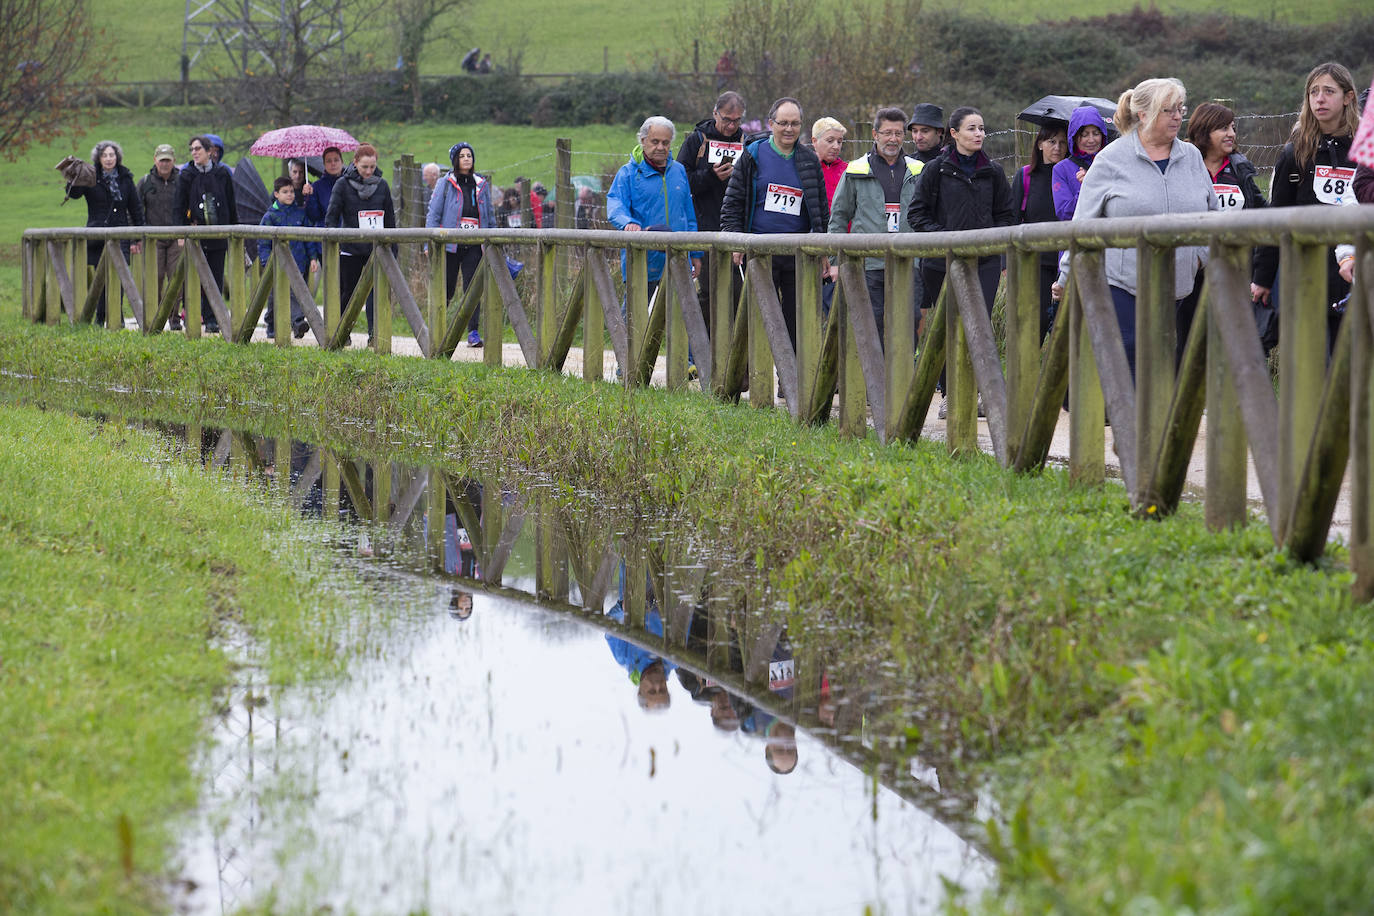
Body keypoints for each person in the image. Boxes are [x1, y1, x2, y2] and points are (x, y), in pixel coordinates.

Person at [1071, 78, 1218, 381]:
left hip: (1177, 282)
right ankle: (1135, 425)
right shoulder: (1110, 159)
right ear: (1143, 114)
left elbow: (1212, 213)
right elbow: (1082, 224)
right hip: (1122, 282)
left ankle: (1151, 422)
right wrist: (1065, 276)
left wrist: (1201, 255)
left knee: (1166, 356)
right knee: (1130, 352)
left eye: (1180, 109)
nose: (1178, 117)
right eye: (1168, 110)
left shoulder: (1190, 156)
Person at [907, 107, 1016, 416]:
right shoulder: (936, 170)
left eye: (981, 128)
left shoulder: (993, 171)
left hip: (984, 262)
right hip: (942, 262)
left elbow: (1007, 215)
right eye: (971, 129)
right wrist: (946, 237)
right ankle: (950, 395)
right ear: (953, 134)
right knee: (948, 327)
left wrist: (988, 240)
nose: (979, 134)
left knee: (979, 327)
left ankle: (983, 395)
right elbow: (917, 214)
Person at [1252, 62, 1362, 350]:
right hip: (1305, 272)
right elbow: (1275, 217)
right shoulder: (1296, 151)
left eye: (1328, 91)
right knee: (1311, 363)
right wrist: (1262, 278)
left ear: (1348, 97)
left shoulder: (1366, 150)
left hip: (1356, 268)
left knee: (1351, 367)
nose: (1319, 99)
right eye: (1313, 92)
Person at [720, 97, 830, 353]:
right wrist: (735, 239)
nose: (789, 129)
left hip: (797, 252)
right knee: (757, 316)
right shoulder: (753, 155)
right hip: (759, 251)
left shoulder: (809, 160)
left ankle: (790, 380)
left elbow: (820, 209)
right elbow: (733, 203)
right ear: (771, 124)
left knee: (796, 318)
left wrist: (823, 247)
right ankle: (748, 374)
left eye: (795, 123)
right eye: (783, 123)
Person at [828, 106, 923, 346]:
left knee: (909, 321)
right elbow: (839, 217)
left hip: (907, 261)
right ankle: (876, 381)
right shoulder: (856, 170)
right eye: (887, 133)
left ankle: (904, 379)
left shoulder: (918, 170)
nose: (893, 139)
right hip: (868, 263)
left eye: (899, 133)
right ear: (875, 134)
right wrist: (835, 261)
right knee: (873, 323)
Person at [1182, 101, 1266, 360]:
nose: (1231, 133)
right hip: (1192, 270)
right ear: (1203, 132)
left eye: (1232, 127)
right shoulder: (1185, 168)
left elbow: (1262, 212)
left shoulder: (1241, 170)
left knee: (1230, 344)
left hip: (1234, 270)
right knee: (1188, 344)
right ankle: (1187, 399)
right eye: (1222, 128)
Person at [605, 116, 701, 310]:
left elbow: (688, 214)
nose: (660, 147)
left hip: (679, 257)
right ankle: (628, 342)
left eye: (665, 142)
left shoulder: (679, 171)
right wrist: (628, 223)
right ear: (642, 141)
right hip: (642, 259)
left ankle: (679, 343)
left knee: (684, 317)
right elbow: (615, 204)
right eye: (655, 141)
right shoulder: (628, 173)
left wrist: (696, 253)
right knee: (635, 315)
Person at [677, 91, 748, 332]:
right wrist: (710, 176)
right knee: (707, 294)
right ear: (714, 113)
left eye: (737, 120)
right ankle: (698, 357)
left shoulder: (747, 143)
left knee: (740, 294)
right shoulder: (697, 141)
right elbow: (680, 181)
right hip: (704, 227)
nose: (731, 126)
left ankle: (734, 358)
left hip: (738, 230)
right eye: (727, 119)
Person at [324, 143, 397, 345]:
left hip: (376, 249)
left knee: (376, 292)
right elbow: (332, 216)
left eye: (372, 167)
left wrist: (393, 248)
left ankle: (375, 335)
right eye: (364, 167)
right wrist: (334, 242)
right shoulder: (342, 185)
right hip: (350, 249)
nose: (368, 171)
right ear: (355, 163)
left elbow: (390, 219)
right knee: (349, 293)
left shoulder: (382, 185)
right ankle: (343, 333)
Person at [426, 142, 496, 348]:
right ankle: (438, 328)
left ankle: (473, 332)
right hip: (449, 245)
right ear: (455, 160)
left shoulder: (481, 184)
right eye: (462, 155)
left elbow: (490, 217)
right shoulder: (445, 183)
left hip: (474, 245)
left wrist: (492, 240)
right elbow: (433, 214)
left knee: (472, 288)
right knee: (446, 288)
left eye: (469, 155)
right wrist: (428, 243)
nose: (467, 158)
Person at [68, 140, 144, 326]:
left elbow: (135, 208)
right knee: (100, 279)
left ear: (117, 157)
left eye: (112, 155)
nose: (109, 159)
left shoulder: (125, 177)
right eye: (105, 155)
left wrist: (138, 236)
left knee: (120, 275)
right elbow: (74, 194)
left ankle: (115, 316)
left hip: (121, 234)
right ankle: (100, 318)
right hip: (97, 234)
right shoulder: (90, 176)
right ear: (98, 158)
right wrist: (73, 177)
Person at [174, 134, 236, 333]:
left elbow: (230, 203)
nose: (194, 153)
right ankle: (193, 315)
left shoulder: (222, 174)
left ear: (210, 151)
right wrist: (181, 233)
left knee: (216, 277)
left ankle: (213, 319)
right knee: (195, 277)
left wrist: (233, 229)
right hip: (195, 234)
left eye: (198, 149)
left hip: (218, 233)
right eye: (192, 149)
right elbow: (179, 206)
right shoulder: (186, 175)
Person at [1013, 123, 1069, 342]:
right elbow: (1012, 218)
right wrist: (1006, 263)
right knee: (1034, 325)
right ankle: (1026, 374)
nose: (1057, 147)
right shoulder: (1026, 176)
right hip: (1034, 262)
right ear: (1039, 144)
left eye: (1063, 142)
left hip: (1065, 259)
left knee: (1064, 328)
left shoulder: (1072, 175)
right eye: (1051, 141)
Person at [257, 176, 320, 339]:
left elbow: (308, 239)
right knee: (274, 296)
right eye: (285, 192)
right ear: (276, 194)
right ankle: (272, 323)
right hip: (276, 264)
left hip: (299, 262)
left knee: (297, 293)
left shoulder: (300, 214)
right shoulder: (270, 217)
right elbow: (263, 242)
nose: (290, 195)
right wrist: (266, 261)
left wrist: (313, 257)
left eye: (292, 191)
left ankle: (298, 323)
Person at [138, 143, 183, 329]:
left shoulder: (182, 180)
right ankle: (155, 317)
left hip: (176, 237)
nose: (165, 164)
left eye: (168, 160)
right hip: (153, 238)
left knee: (176, 278)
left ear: (173, 161)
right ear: (155, 160)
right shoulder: (145, 181)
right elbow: (136, 209)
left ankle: (174, 319)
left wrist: (186, 229)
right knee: (154, 277)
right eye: (161, 160)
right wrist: (138, 235)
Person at [1051, 104, 1109, 221]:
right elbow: (1064, 213)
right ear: (1074, 137)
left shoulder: (1111, 162)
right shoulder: (1061, 169)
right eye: (1084, 135)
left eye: (1096, 133)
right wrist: (1087, 186)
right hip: (1080, 236)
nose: (1091, 140)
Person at [811, 116, 848, 205]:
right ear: (815, 141)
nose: (836, 147)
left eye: (839, 142)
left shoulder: (847, 171)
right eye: (830, 141)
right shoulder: (805, 168)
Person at [304, 145, 344, 224]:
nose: (333, 164)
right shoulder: (316, 187)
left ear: (342, 162)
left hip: (349, 231)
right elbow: (313, 217)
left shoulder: (350, 183)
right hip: (325, 231)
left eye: (336, 160)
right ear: (324, 164)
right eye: (329, 161)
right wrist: (309, 197)